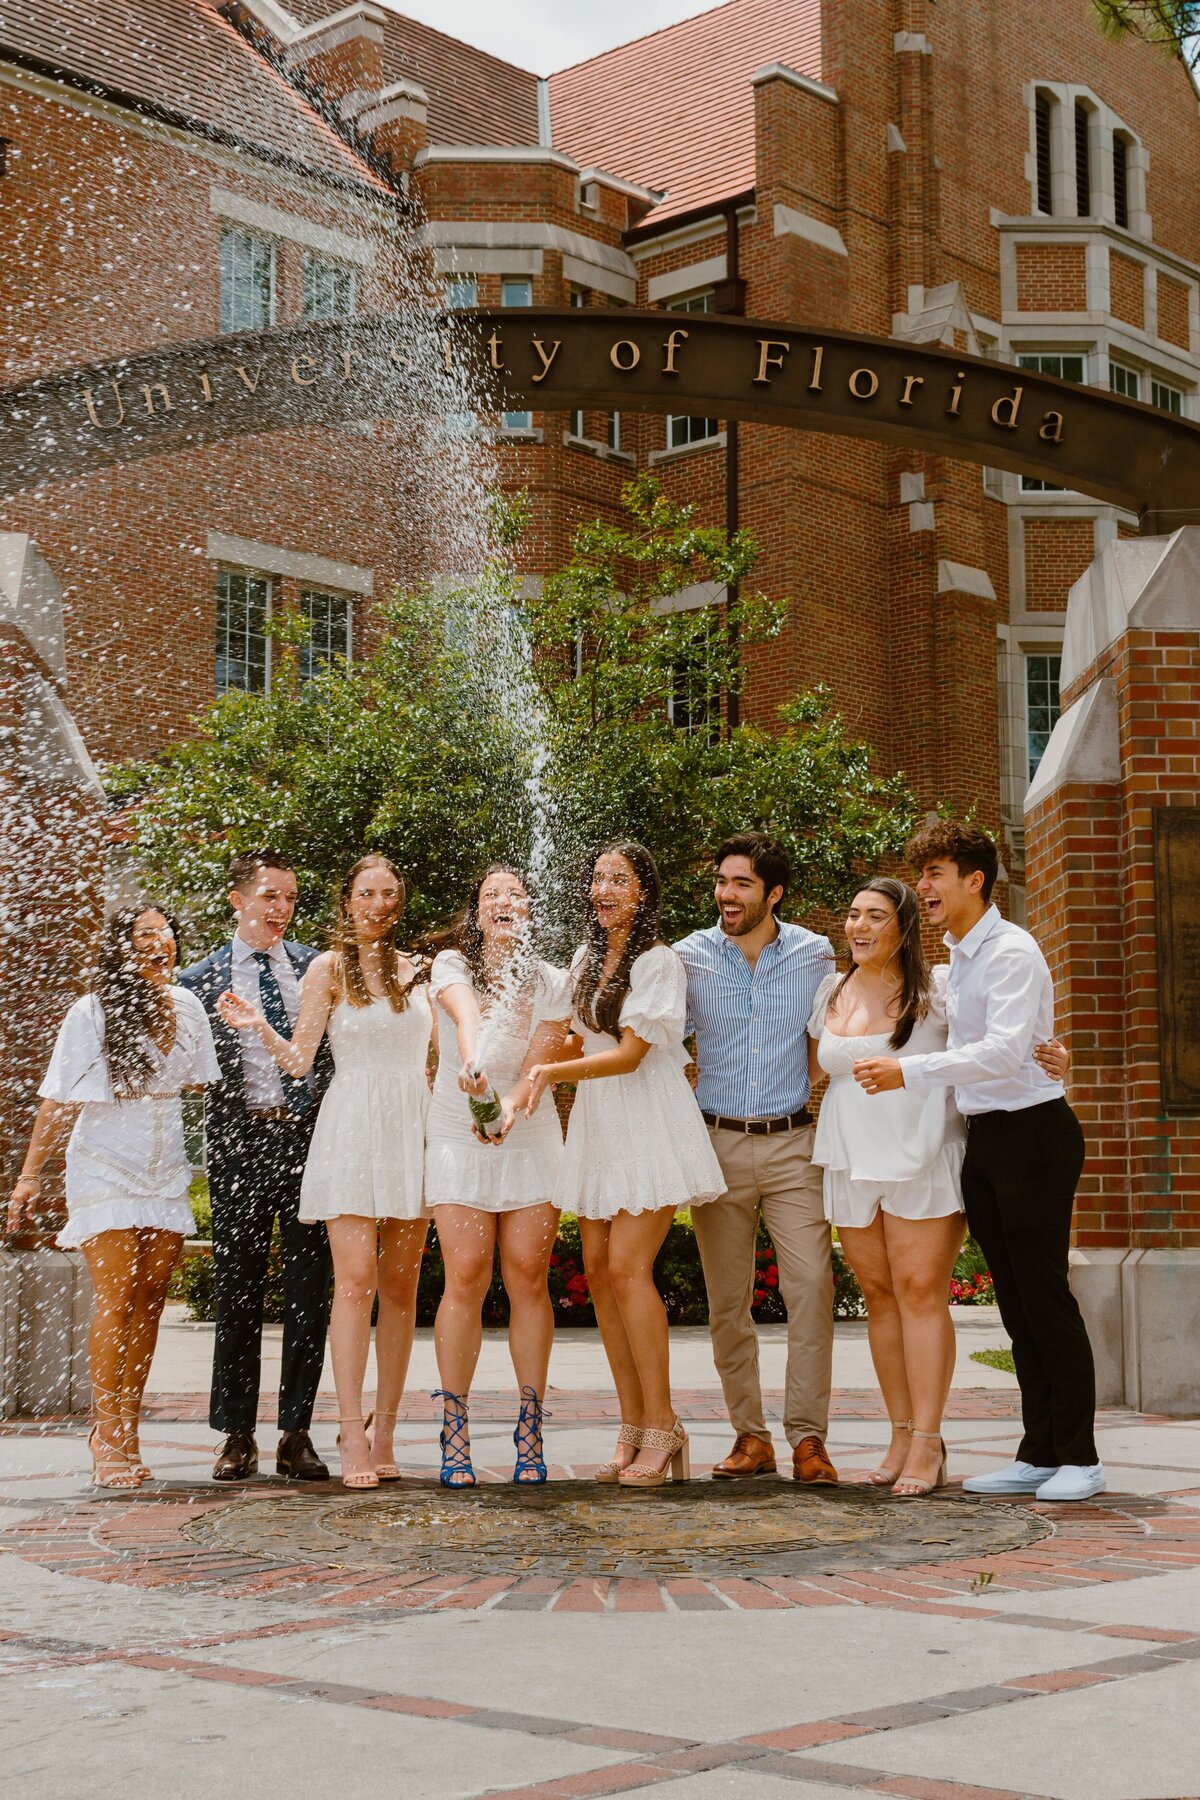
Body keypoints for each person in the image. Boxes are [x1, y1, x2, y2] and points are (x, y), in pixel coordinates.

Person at [854, 821, 1102, 1504]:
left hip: (1034, 1137)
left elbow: (1000, 1053)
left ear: (975, 881)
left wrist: (909, 1071)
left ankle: (1079, 1455)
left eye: (936, 874)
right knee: (1016, 1305)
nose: (923, 887)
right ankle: (1038, 1451)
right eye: (920, 873)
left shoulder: (1011, 951)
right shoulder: (955, 959)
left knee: (1046, 1297)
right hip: (986, 1138)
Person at [217, 854, 431, 1488]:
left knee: (400, 1290)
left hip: (410, 1129)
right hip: (349, 1129)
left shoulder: (418, 971)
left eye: (390, 893)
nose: (379, 903)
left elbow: (440, 1057)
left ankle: (385, 1429)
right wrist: (259, 1027)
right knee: (355, 1281)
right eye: (367, 892)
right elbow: (300, 1061)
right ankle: (348, 1429)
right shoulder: (327, 968)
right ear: (348, 901)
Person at [526, 842, 726, 1489]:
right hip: (598, 1125)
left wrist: (550, 1070)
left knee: (626, 1267)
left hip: (648, 1121)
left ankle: (665, 1424)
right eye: (599, 878)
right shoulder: (586, 960)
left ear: (643, 892)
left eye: (620, 878)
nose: (605, 887)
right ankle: (632, 1423)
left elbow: (633, 1053)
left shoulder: (659, 962)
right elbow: (562, 1034)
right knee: (595, 1272)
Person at [7, 907, 221, 1487]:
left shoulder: (188, 1006)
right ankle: (105, 1433)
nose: (161, 942)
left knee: (151, 1296)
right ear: (122, 947)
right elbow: (58, 1098)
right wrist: (29, 1177)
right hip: (104, 1163)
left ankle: (128, 1424)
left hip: (165, 1167)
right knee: (118, 1291)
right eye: (145, 934)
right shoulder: (92, 1010)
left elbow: (198, 1082)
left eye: (167, 932)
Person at [675, 832, 840, 1485]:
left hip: (792, 1144)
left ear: (773, 892)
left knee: (812, 1290)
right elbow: (660, 1035)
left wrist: (796, 1091)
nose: (726, 894)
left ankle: (808, 1438)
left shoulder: (812, 954)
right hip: (715, 1144)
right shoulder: (690, 957)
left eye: (741, 884)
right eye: (722, 881)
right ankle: (751, 1436)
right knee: (727, 1301)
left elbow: (823, 1040)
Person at [179, 850, 333, 1483]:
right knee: (236, 1288)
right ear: (238, 901)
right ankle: (236, 1433)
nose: (282, 909)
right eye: (270, 896)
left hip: (309, 1143)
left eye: (291, 899)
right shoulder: (198, 980)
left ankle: (296, 1431)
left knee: (310, 1291)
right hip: (238, 1142)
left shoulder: (315, 968)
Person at [422, 865, 572, 1487]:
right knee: (466, 1273)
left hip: (529, 1131)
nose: (502, 901)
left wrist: (507, 1105)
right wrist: (475, 1070)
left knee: (528, 1276)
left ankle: (529, 1426)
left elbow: (539, 1067)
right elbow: (464, 1021)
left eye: (514, 894)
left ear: (530, 910)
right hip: (458, 1128)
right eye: (490, 895)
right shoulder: (452, 963)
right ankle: (453, 1428)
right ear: (477, 912)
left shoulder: (552, 980)